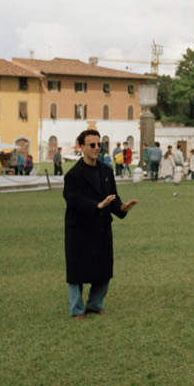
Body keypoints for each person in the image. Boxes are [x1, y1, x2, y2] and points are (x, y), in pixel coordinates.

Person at [63, 128, 137, 318]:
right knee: (77, 272)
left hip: (102, 228)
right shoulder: (73, 175)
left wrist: (122, 208)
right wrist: (97, 205)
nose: (97, 148)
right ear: (82, 147)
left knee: (103, 269)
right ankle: (77, 309)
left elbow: (113, 198)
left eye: (99, 145)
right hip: (80, 229)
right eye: (92, 145)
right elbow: (74, 200)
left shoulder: (106, 171)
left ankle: (95, 304)